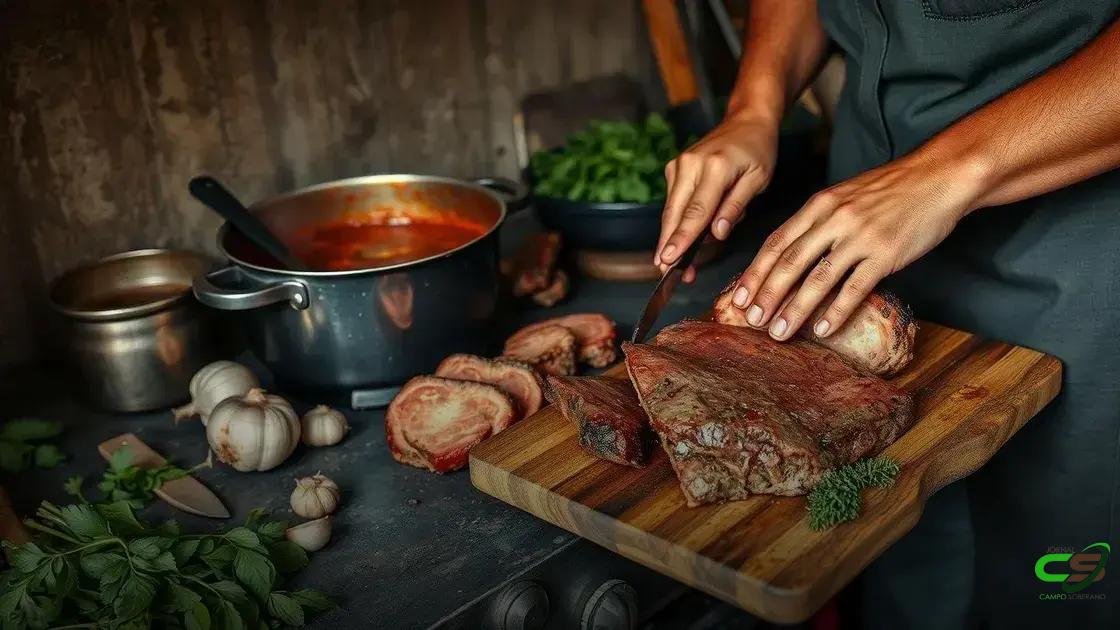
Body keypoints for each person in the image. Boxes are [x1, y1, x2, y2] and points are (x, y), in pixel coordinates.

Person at [655, 1, 1120, 628]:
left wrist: (940, 177)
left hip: (1077, 235)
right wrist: (755, 105)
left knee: (1054, 580)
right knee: (900, 558)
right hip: (863, 216)